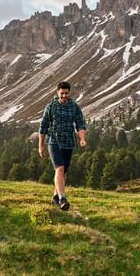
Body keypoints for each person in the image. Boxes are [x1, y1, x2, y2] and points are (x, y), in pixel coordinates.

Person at [38, 81, 87, 210]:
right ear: (57, 92)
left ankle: (55, 196)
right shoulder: (51, 107)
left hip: (69, 142)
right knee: (59, 168)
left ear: (69, 92)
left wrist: (82, 138)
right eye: (62, 93)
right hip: (54, 141)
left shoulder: (74, 107)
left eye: (66, 93)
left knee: (63, 171)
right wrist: (40, 146)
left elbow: (80, 124)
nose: (64, 96)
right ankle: (62, 198)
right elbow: (43, 127)